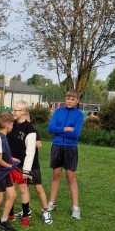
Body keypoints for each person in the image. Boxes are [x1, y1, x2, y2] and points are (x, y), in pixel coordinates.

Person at [47, 88, 85, 219]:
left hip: (71, 148)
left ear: (77, 101)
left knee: (71, 177)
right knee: (56, 175)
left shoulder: (79, 115)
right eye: (68, 98)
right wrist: (66, 129)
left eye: (73, 99)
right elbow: (50, 128)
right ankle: (51, 203)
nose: (70, 101)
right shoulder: (58, 112)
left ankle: (76, 208)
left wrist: (59, 131)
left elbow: (75, 134)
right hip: (57, 146)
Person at [11, 114, 53, 225]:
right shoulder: (16, 128)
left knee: (38, 188)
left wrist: (27, 141)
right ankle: (27, 210)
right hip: (23, 165)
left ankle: (46, 211)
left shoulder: (32, 131)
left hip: (33, 166)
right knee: (25, 188)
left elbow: (39, 144)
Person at [6, 101, 38, 228]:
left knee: (23, 189)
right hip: (9, 164)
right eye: (12, 110)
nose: (13, 112)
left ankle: (25, 216)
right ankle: (10, 214)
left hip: (21, 166)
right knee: (9, 189)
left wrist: (26, 170)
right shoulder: (10, 124)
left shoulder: (30, 129)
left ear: (23, 112)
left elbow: (30, 152)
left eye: (16, 110)